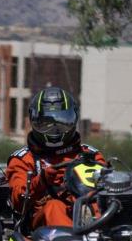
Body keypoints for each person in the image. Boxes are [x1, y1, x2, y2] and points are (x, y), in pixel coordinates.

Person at [6, 87, 106, 230]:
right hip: (39, 224)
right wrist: (42, 181)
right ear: (34, 121)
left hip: (83, 209)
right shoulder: (23, 159)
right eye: (46, 123)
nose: (54, 130)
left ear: (74, 119)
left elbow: (105, 187)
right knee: (55, 206)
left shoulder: (90, 155)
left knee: (100, 202)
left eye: (61, 122)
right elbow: (17, 202)